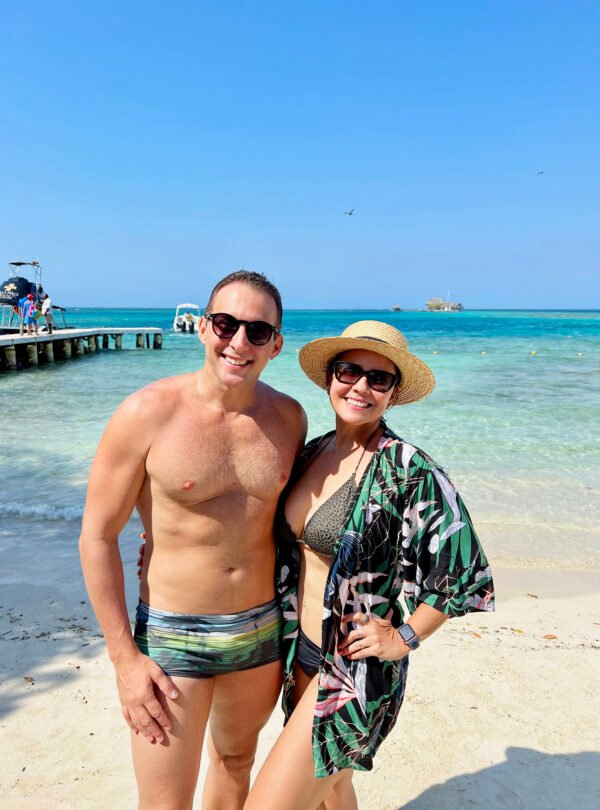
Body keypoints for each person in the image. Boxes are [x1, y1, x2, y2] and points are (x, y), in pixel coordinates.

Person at [245, 320, 495, 810]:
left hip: (355, 669)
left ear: (393, 394)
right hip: (300, 652)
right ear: (330, 378)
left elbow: (464, 573)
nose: (361, 386)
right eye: (349, 371)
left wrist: (404, 638)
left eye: (379, 379)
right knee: (331, 791)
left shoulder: (409, 469)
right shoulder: (312, 452)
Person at [79, 271, 306, 810]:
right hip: (172, 635)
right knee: (165, 803)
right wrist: (124, 659)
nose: (239, 342)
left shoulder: (289, 418)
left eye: (257, 331)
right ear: (203, 328)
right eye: (226, 324)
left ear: (276, 344)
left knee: (235, 764)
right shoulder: (146, 413)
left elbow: (296, 519)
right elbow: (97, 537)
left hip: (260, 630)